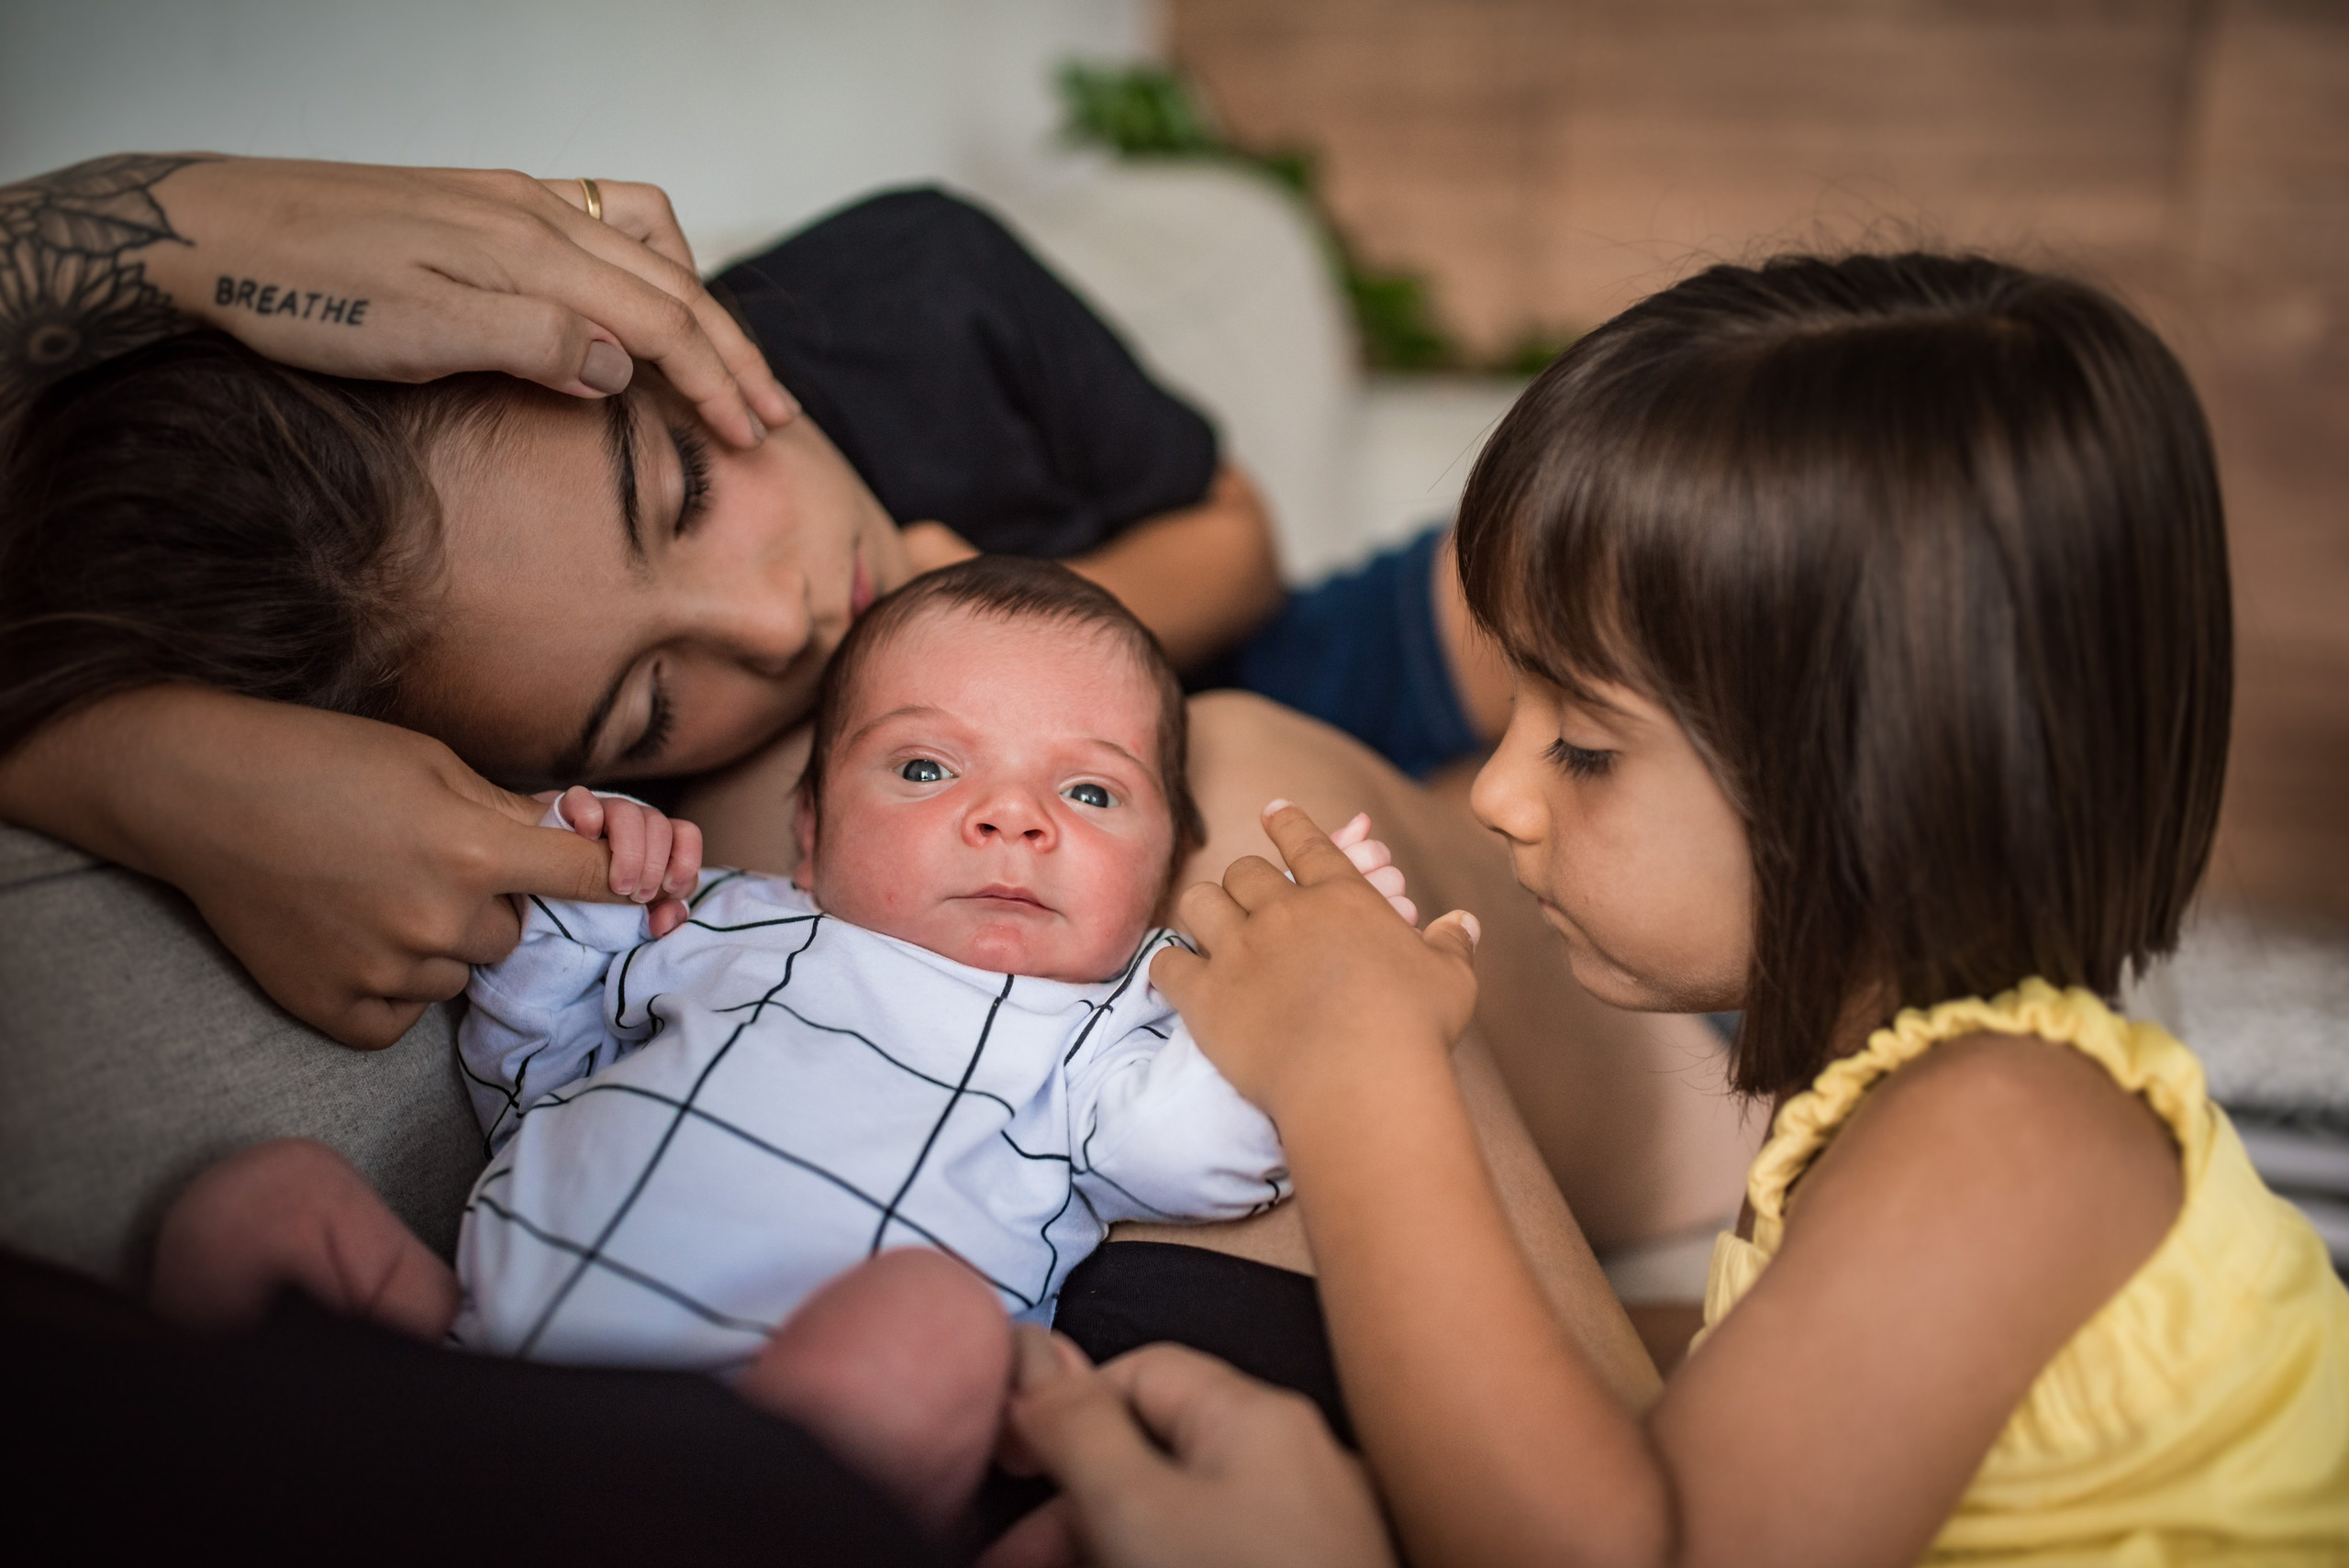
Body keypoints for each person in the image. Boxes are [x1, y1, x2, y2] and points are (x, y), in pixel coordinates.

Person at [991, 253, 2349, 1567]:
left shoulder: (2014, 1124)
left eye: (1583, 742)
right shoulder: (1900, 1095)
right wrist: (1419, 1041)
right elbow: (1672, 1437)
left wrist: (1357, 1074)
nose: (1504, 792)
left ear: (1877, 785)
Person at [152, 557, 1419, 1538]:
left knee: (932, 1330)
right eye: (925, 766)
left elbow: (1195, 1148)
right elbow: (529, 1058)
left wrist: (1306, 985)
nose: (1010, 818)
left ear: (1164, 879)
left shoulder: (1104, 1026)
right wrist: (575, 869)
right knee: (258, 1204)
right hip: (476, 1351)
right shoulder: (725, 921)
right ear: (807, 835)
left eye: (1089, 793)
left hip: (777, 1448)